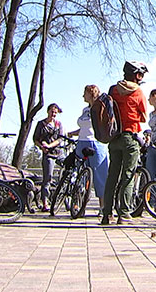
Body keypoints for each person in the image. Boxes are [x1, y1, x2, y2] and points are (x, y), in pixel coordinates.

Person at [100, 61, 149, 225]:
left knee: (112, 175)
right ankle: (124, 213)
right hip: (130, 137)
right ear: (136, 75)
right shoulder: (138, 92)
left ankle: (106, 214)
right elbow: (143, 116)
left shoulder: (113, 90)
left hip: (114, 138)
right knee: (128, 175)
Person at [67, 85, 110, 216]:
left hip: (96, 143)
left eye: (85, 93)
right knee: (79, 174)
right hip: (82, 142)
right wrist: (73, 133)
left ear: (91, 94)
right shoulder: (85, 110)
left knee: (100, 175)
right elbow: (84, 128)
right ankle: (79, 205)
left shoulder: (100, 107)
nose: (82, 96)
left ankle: (103, 207)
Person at [33, 103, 65, 211]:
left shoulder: (58, 124)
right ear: (48, 111)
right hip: (48, 154)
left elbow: (60, 139)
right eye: (52, 111)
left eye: (55, 112)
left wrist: (50, 145)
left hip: (58, 152)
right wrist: (42, 147)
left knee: (68, 172)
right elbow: (35, 139)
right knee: (48, 177)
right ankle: (45, 202)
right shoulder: (41, 124)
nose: (53, 114)